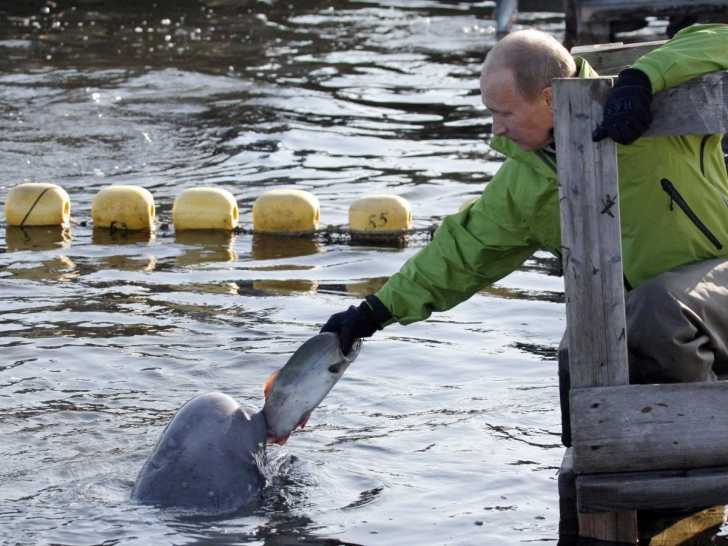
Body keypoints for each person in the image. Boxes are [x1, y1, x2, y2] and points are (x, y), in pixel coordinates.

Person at [321, 24, 728, 444]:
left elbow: (720, 38)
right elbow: (460, 253)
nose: (496, 129)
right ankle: (603, 467)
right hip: (647, 317)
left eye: (505, 113)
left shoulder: (654, 103)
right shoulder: (523, 183)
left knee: (656, 307)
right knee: (580, 345)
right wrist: (372, 313)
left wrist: (644, 78)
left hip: (717, 288)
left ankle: (699, 444)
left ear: (549, 98)